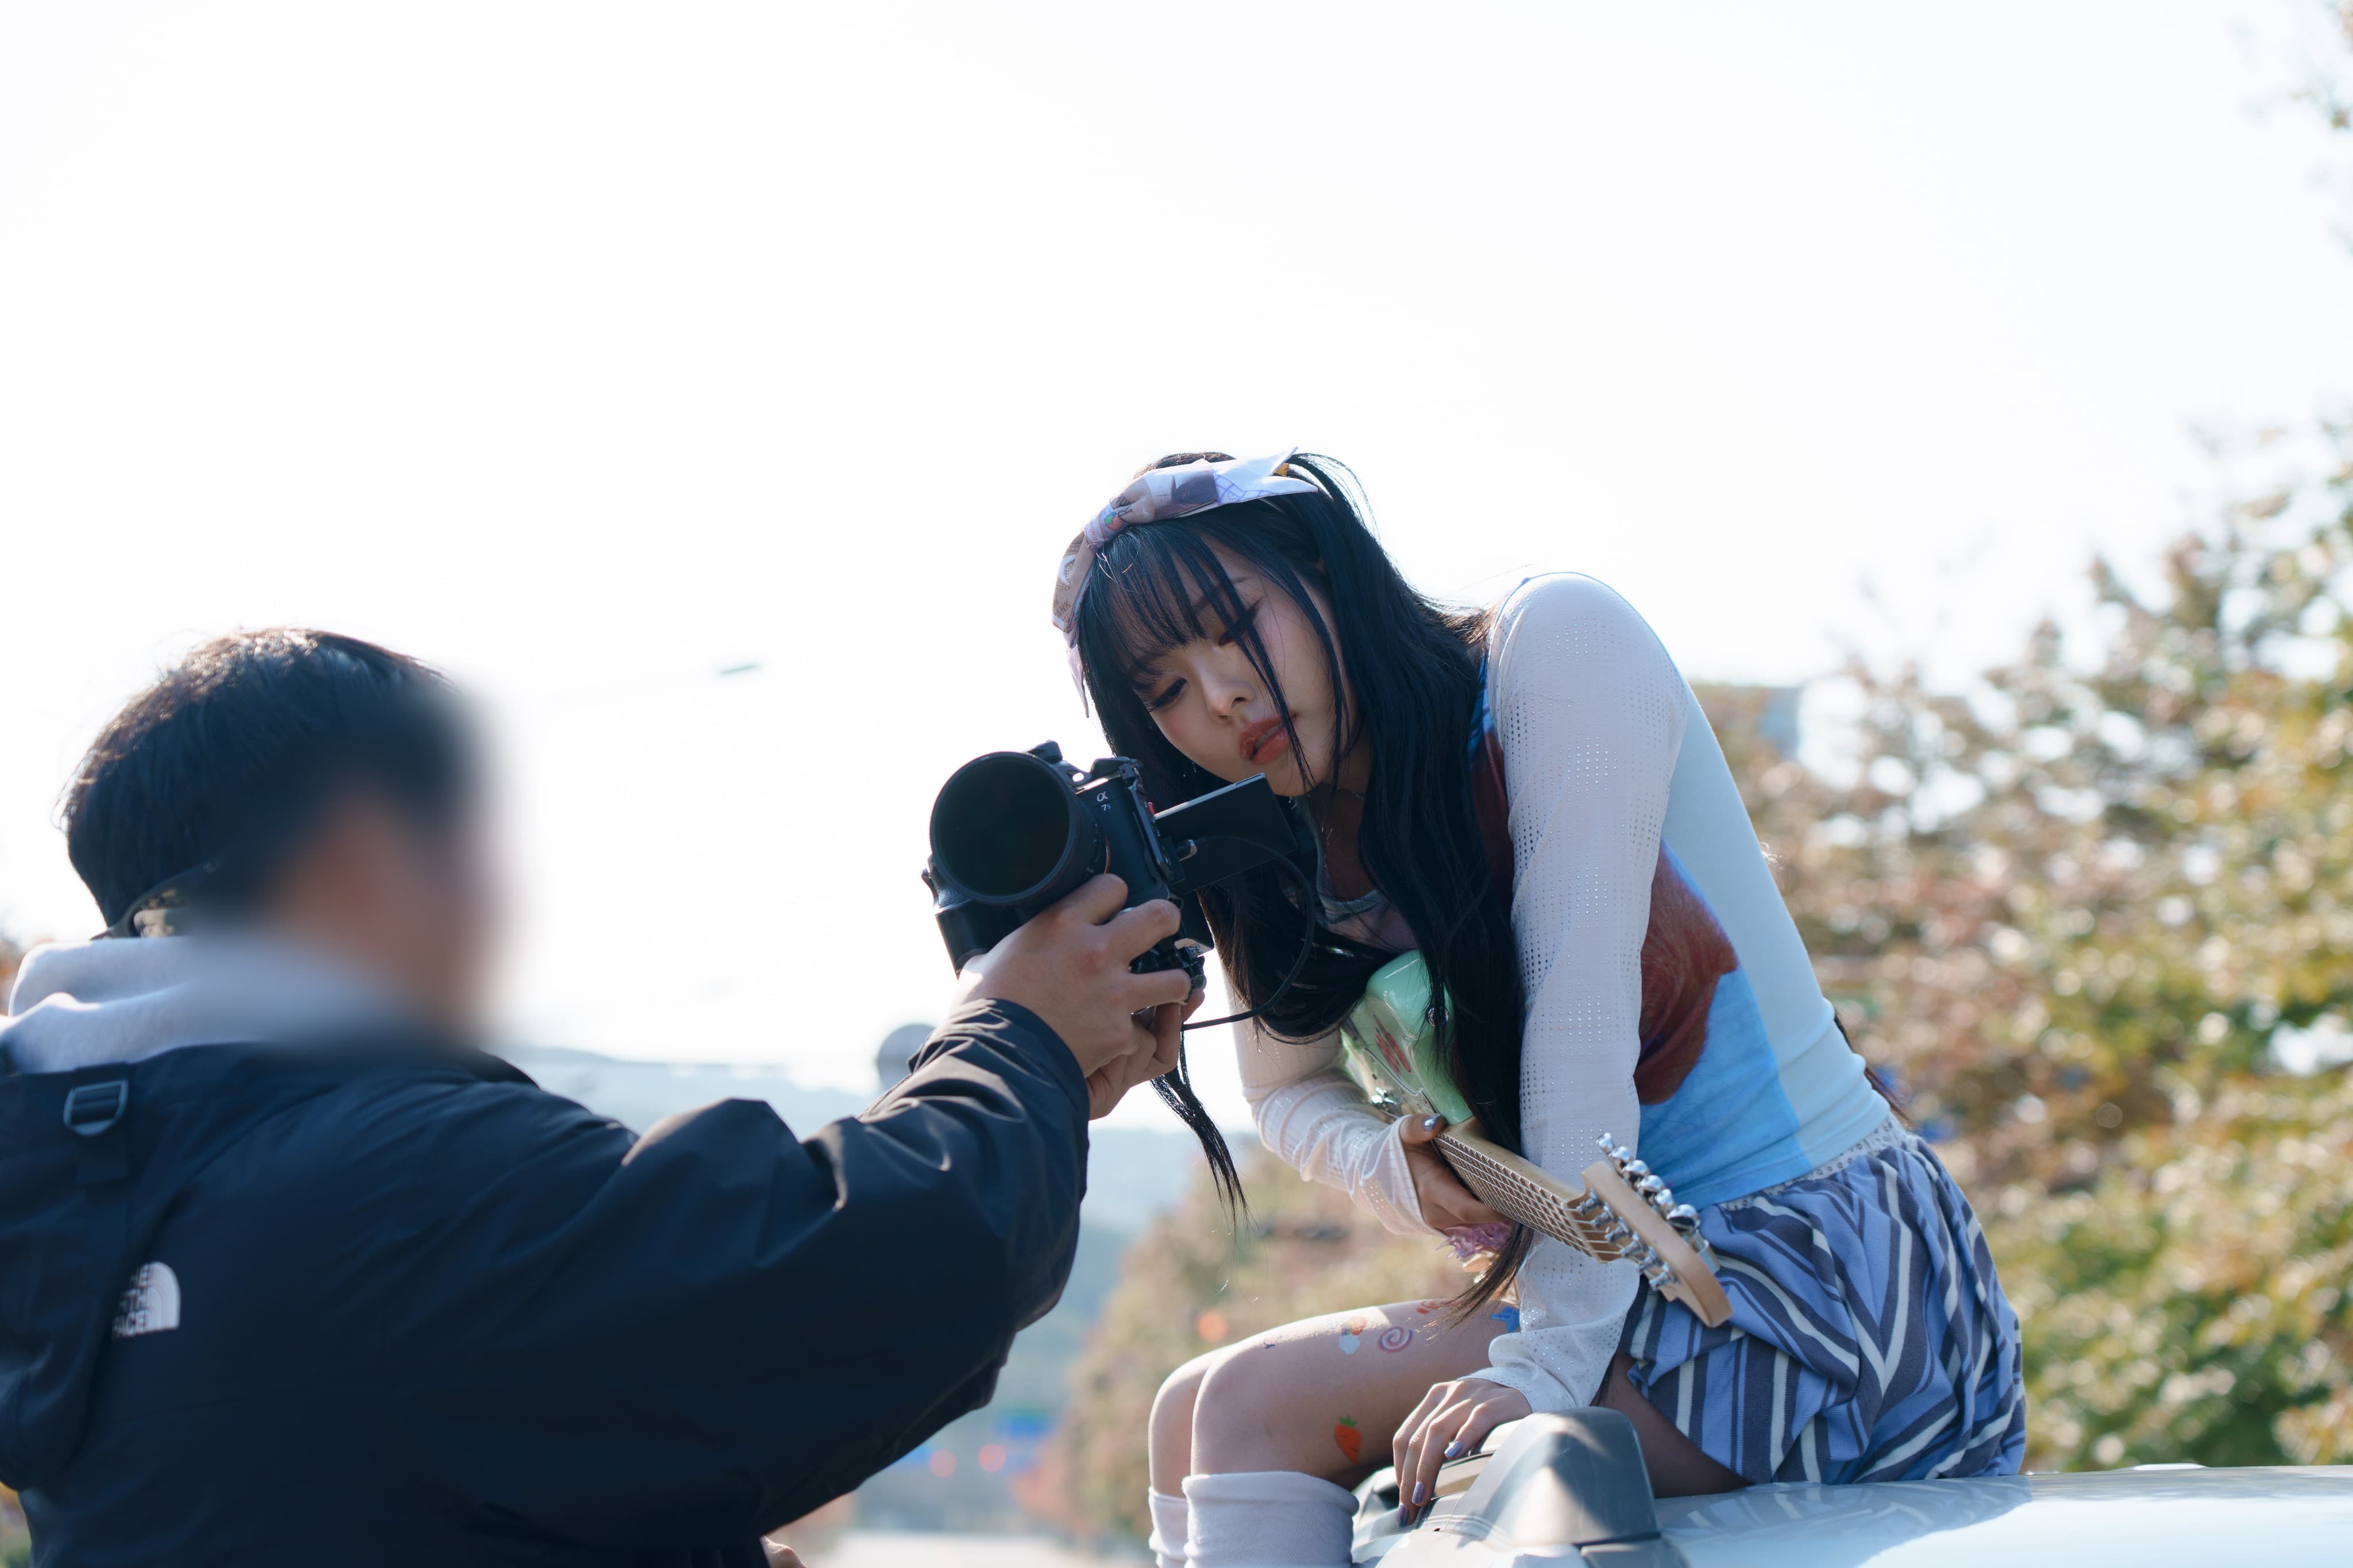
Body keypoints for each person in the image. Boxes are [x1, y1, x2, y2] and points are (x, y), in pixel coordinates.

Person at [0, 628, 1197, 1566]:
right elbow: (877, 1265)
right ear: (365, 849)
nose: (495, 909)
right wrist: (1016, 1034)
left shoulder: (81, 1198)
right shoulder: (392, 1180)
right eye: (473, 847)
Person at [1048, 451, 2028, 1568]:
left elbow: (1578, 1030)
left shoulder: (1553, 647)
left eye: (1234, 625)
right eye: (1167, 690)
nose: (1221, 695)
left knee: (1245, 1408)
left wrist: (1546, 1367)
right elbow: (1285, 1092)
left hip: (1815, 1284)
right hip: (1632, 1282)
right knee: (1184, 1406)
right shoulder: (1286, 838)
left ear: (1322, 568)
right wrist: (1394, 1166)